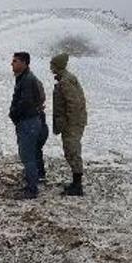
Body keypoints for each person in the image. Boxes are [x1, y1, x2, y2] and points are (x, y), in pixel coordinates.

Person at [8, 52, 46, 199]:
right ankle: (32, 183)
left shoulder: (27, 80)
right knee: (28, 154)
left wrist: (14, 113)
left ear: (24, 63)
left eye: (15, 61)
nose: (12, 64)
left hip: (28, 122)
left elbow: (26, 103)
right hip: (28, 121)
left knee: (28, 155)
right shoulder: (24, 78)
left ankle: (32, 189)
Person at [51, 53, 88, 196]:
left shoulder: (66, 81)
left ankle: (77, 185)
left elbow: (73, 103)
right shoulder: (65, 79)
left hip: (72, 123)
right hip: (71, 122)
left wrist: (69, 124)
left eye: (52, 65)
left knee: (72, 150)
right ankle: (75, 182)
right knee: (70, 151)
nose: (51, 68)